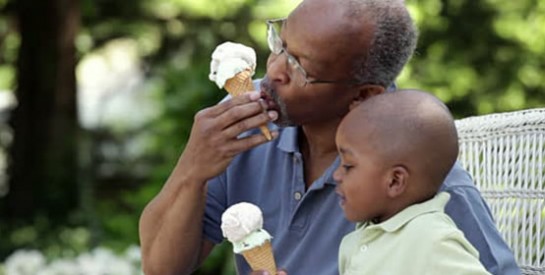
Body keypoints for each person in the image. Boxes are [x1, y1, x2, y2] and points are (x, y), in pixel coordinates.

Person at [138, 0, 520, 274]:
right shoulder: (243, 126)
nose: (274, 71)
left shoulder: (421, 182)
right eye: (280, 45)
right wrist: (193, 167)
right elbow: (161, 267)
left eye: (300, 67)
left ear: (363, 96)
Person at [334, 89, 490, 274]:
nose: (336, 175)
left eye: (348, 166)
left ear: (395, 181)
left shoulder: (431, 239)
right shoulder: (356, 240)